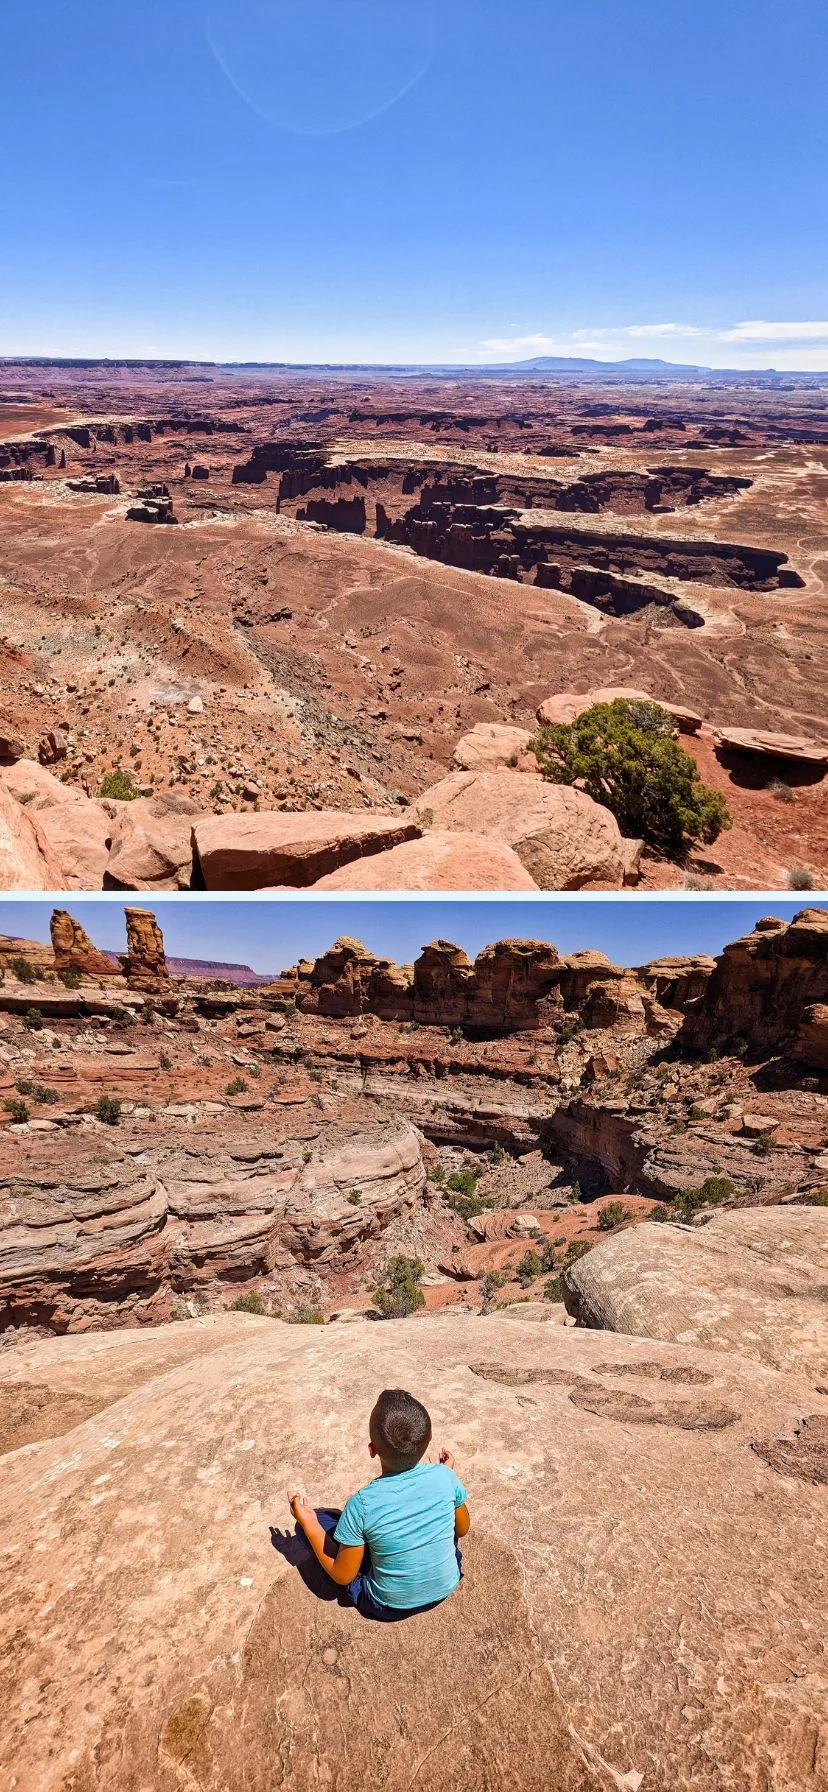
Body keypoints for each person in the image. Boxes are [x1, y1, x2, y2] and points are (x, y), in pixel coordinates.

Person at [288, 1387, 470, 1621]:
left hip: (388, 1604)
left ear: (372, 1451)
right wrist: (446, 1479)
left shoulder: (361, 1503)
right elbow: (462, 1529)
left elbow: (342, 1575)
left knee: (324, 1522)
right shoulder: (445, 1476)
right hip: (447, 1582)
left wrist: (308, 1521)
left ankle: (316, 1525)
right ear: (430, 1438)